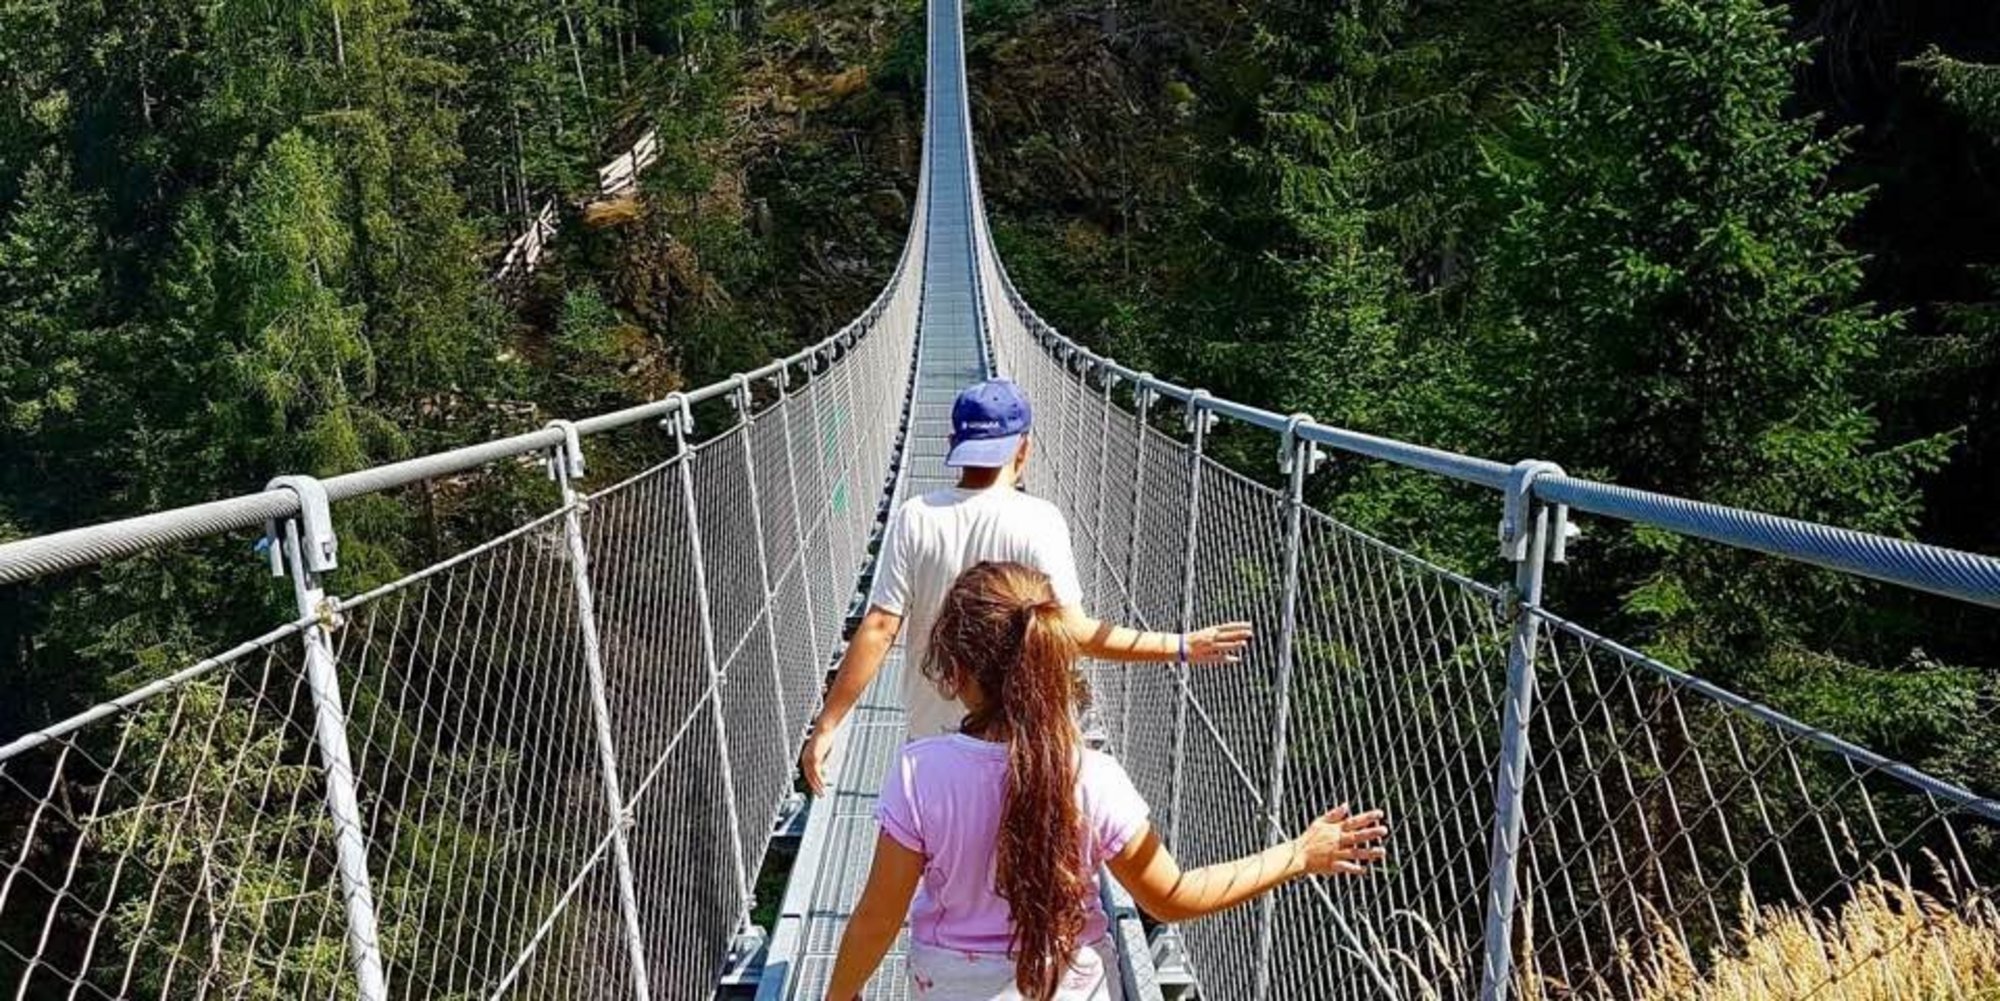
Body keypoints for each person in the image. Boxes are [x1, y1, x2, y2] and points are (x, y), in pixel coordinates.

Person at [826, 562, 1389, 1000]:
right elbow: (1173, 898)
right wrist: (1300, 853)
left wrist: (842, 992)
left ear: (955, 671)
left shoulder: (919, 771)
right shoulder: (1094, 778)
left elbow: (879, 917)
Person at [801, 378, 1253, 794]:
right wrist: (1178, 646)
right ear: (1023, 450)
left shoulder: (915, 516)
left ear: (953, 445)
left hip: (932, 742)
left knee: (938, 869)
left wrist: (828, 723)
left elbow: (879, 627)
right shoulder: (1040, 521)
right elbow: (1074, 633)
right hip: (1018, 739)